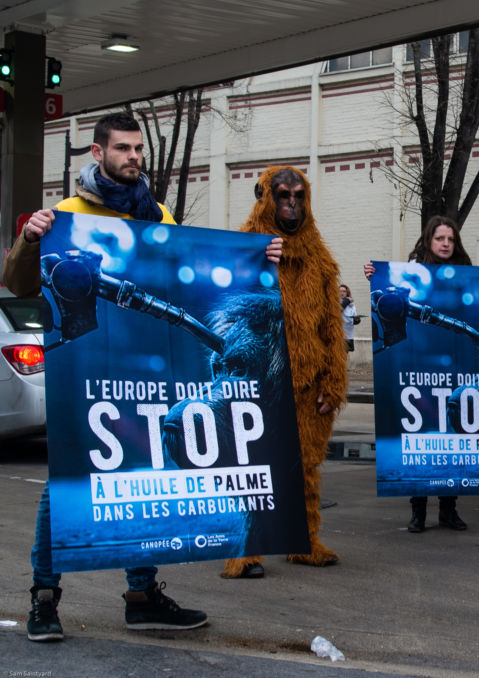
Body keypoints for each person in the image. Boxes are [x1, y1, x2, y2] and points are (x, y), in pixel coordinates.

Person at [1, 113, 269, 641]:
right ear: (97, 154)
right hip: (83, 368)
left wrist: (259, 261)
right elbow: (17, 280)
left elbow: (185, 275)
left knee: (150, 480)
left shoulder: (158, 214)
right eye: (123, 149)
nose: (134, 158)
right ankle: (44, 598)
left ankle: (142, 595)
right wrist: (31, 240)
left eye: (138, 149)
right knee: (65, 487)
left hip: (150, 366)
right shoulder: (64, 215)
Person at [221, 166, 348, 578]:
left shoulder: (320, 260)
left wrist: (334, 381)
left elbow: (332, 326)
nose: (291, 204)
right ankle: (246, 549)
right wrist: (257, 263)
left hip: (309, 385)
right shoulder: (245, 248)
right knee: (253, 467)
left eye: (298, 196)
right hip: (261, 381)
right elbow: (229, 308)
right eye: (282, 196)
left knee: (305, 467)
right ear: (266, 198)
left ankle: (303, 541)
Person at [364, 215, 472, 533]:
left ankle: (449, 508)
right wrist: (372, 275)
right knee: (419, 437)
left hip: (453, 364)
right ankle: (418, 510)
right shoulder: (409, 275)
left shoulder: (464, 275)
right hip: (416, 367)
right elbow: (385, 299)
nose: (445, 244)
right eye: (440, 238)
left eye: (451, 239)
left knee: (453, 436)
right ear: (429, 240)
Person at [339, 283, 359, 352]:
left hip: (348, 334)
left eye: (344, 291)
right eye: (340, 291)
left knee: (345, 355)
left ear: (347, 293)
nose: (342, 293)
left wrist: (357, 320)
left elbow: (354, 319)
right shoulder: (335, 303)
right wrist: (347, 301)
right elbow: (340, 309)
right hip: (339, 335)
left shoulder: (351, 306)